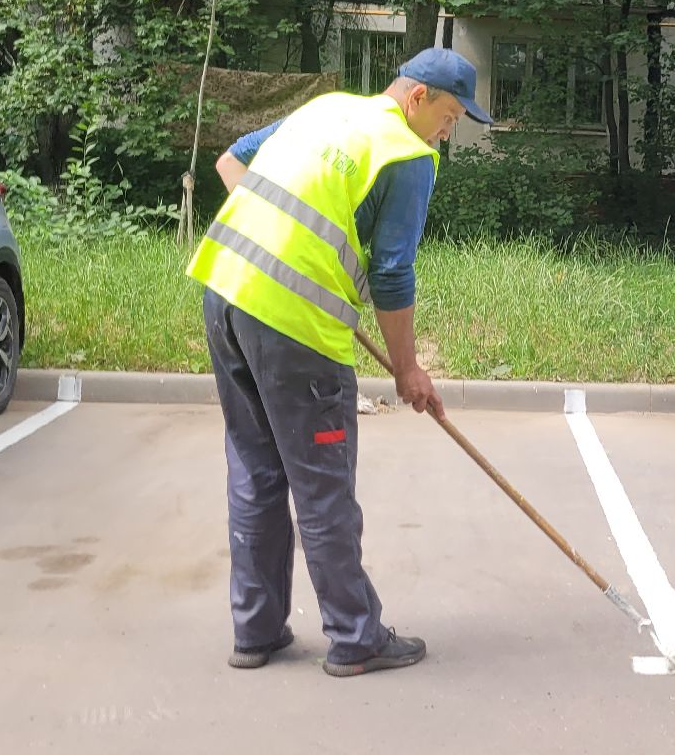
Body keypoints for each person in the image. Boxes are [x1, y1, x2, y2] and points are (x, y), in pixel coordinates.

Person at [187, 47, 490, 677]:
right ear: (417, 98)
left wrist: (279, 247)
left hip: (225, 295)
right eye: (449, 116)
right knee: (321, 484)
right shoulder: (406, 156)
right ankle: (355, 637)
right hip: (294, 327)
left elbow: (230, 161)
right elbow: (393, 272)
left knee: (255, 471)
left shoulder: (326, 109)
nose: (446, 132)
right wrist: (407, 370)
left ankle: (256, 632)